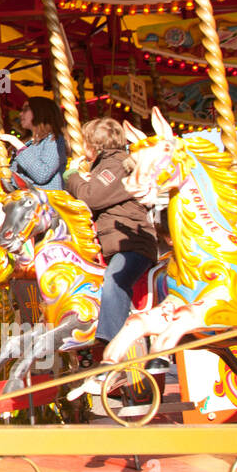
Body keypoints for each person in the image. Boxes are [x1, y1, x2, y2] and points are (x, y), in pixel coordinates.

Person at [64, 118, 159, 355]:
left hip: (133, 244)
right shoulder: (105, 167)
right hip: (116, 244)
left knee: (114, 282)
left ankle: (111, 346)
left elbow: (92, 197)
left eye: (85, 142)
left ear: (93, 145)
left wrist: (73, 175)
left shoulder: (117, 165)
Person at [0, 97, 69, 191]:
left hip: (44, 200)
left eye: (25, 110)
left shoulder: (54, 139)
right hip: (22, 198)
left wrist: (18, 145)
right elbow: (11, 177)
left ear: (40, 111)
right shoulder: (26, 141)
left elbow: (42, 174)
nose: (21, 114)